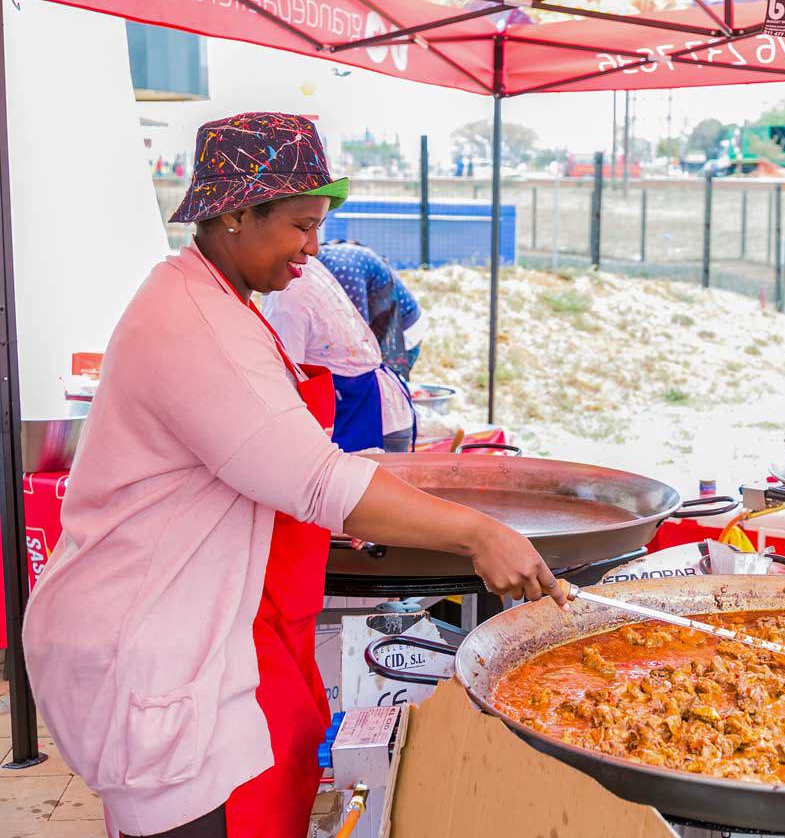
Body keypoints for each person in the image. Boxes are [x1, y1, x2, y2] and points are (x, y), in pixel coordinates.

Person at [22, 112, 564, 838]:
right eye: (302, 226)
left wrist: (395, 478)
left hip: (188, 628)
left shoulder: (216, 300)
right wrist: (477, 534)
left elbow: (279, 450)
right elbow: (314, 483)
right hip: (144, 640)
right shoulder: (193, 323)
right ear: (238, 213)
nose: (315, 248)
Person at [262, 255, 417, 453]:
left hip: (369, 415)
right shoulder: (306, 269)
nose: (313, 246)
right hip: (383, 410)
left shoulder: (287, 300)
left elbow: (283, 388)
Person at [316, 240, 421, 380]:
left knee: (384, 388)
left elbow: (357, 336)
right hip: (380, 323)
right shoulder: (325, 261)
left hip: (401, 330)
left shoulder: (342, 271)